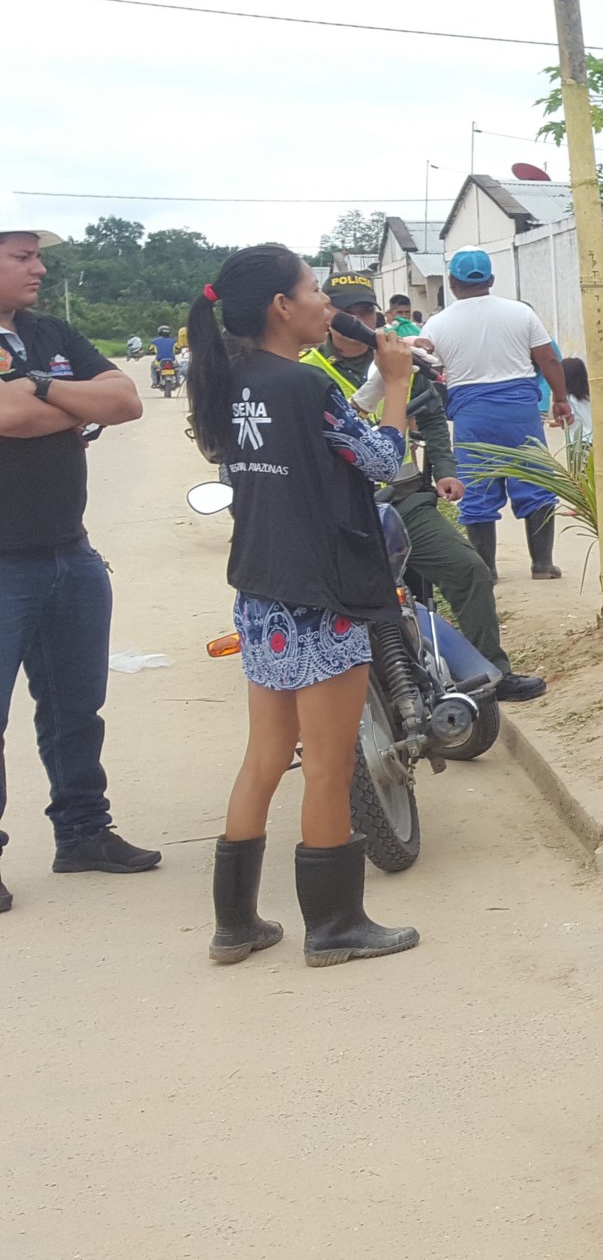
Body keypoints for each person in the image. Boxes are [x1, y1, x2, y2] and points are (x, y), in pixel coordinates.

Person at [186, 246, 419, 968]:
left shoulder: (227, 379)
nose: (326, 303)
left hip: (260, 586)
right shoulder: (304, 387)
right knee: (326, 762)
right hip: (322, 591)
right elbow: (383, 461)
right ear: (282, 307)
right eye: (314, 289)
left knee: (264, 757)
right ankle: (334, 926)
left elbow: (293, 447)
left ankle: (236, 925)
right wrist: (399, 385)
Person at [0, 215, 152, 911]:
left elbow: (125, 400)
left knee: (75, 707)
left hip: (70, 551)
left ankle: (84, 832)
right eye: (23, 257)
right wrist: (72, 406)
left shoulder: (48, 336)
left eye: (37, 258)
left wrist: (34, 385)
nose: (39, 270)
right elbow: (12, 421)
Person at [313, 274, 545, 703]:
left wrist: (445, 470)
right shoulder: (310, 369)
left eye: (366, 311)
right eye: (349, 313)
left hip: (404, 502)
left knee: (468, 569)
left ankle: (492, 673)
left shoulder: (396, 358)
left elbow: (434, 418)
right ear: (330, 317)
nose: (359, 320)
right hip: (341, 510)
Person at [421, 248, 570, 580]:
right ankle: (542, 565)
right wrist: (560, 399)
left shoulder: (438, 323)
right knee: (536, 483)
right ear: (490, 280)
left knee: (477, 488)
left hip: (472, 416)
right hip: (521, 413)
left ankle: (487, 569)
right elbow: (548, 360)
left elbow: (425, 363)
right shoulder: (520, 313)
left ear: (451, 282)